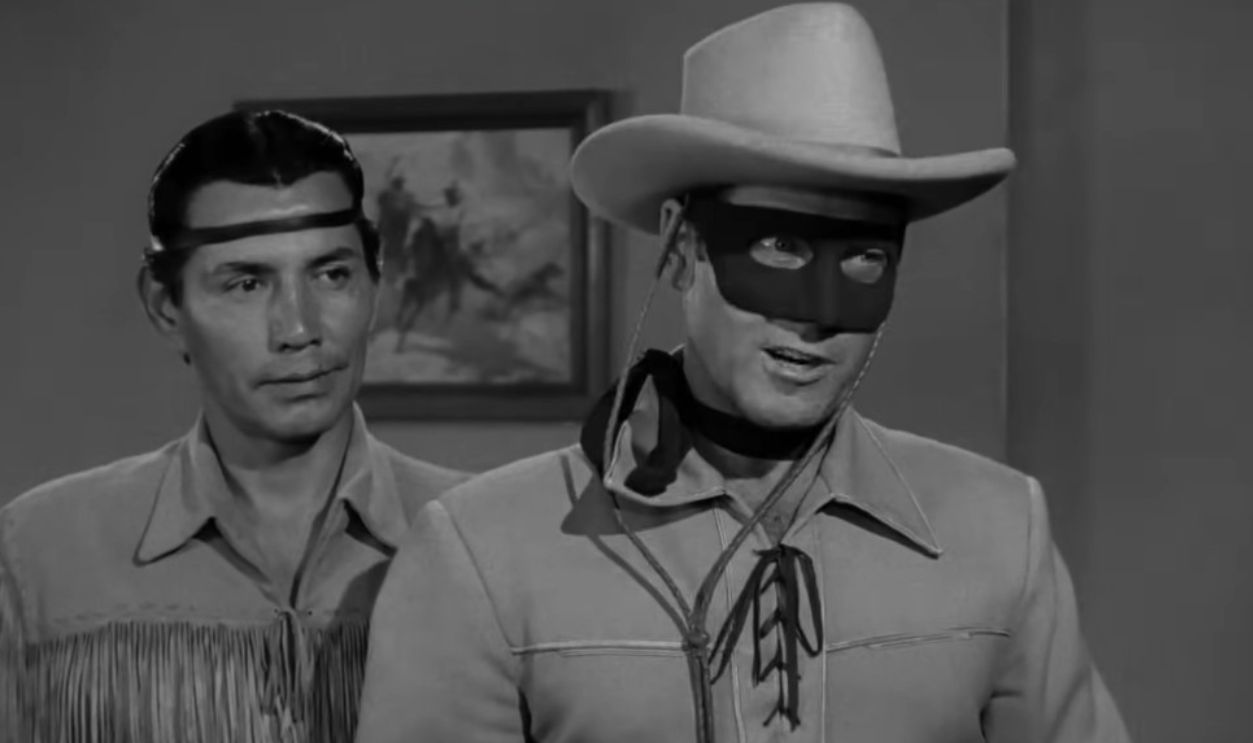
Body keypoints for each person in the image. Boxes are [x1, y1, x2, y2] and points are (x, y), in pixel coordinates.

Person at [353, 4, 1131, 742]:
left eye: (863, 259)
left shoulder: (997, 531)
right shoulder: (486, 553)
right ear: (681, 249)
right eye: (778, 249)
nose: (816, 316)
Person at [0, 109, 467, 743]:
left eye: (332, 275)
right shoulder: (42, 554)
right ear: (166, 307)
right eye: (247, 284)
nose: (299, 329)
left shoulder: (483, 540)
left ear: (375, 283)